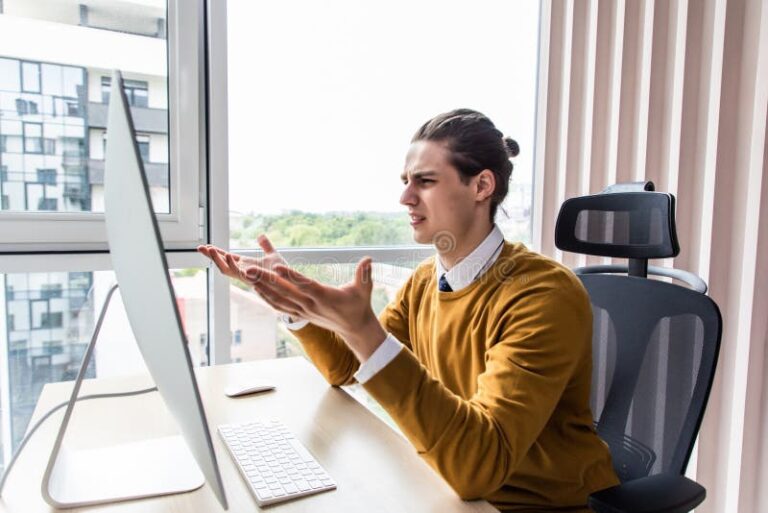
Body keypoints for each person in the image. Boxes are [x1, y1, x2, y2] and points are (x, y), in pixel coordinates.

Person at [199, 109, 619, 511]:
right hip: (448, 488)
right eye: (405, 181)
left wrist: (366, 332)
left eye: (425, 181)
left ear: (481, 186)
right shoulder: (423, 282)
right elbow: (346, 367)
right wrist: (299, 309)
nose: (405, 197)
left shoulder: (542, 295)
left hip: (535, 505)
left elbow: (479, 467)